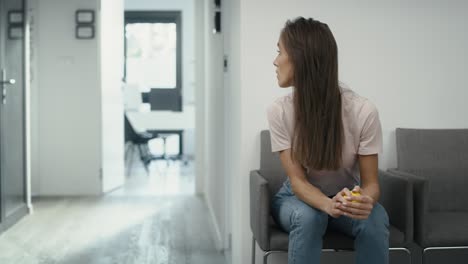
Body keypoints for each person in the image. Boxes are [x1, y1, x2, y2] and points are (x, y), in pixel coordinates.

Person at [267, 17, 389, 264]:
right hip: (296, 198)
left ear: (301, 58)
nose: (275, 60)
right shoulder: (279, 111)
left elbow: (371, 184)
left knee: (375, 220)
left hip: (346, 197)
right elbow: (298, 182)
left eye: (280, 52)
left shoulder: (363, 111)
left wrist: (365, 201)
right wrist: (326, 204)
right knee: (309, 217)